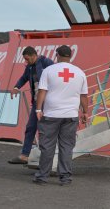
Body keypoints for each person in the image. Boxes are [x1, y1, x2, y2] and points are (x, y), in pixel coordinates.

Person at [33, 45, 88, 185]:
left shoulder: (48, 71)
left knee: (47, 146)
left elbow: (42, 91)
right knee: (67, 147)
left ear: (57, 55)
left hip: (51, 115)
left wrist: (38, 110)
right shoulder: (80, 73)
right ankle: (65, 178)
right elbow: (84, 96)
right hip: (71, 116)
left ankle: (42, 177)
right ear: (70, 55)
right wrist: (85, 112)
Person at [8, 46, 54, 164]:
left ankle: (46, 156)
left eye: (27, 59)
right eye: (25, 59)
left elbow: (56, 77)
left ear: (34, 55)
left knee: (45, 129)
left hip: (49, 103)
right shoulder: (29, 67)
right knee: (30, 127)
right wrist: (16, 87)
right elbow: (24, 78)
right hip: (37, 102)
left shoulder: (46, 62)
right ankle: (25, 154)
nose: (26, 62)